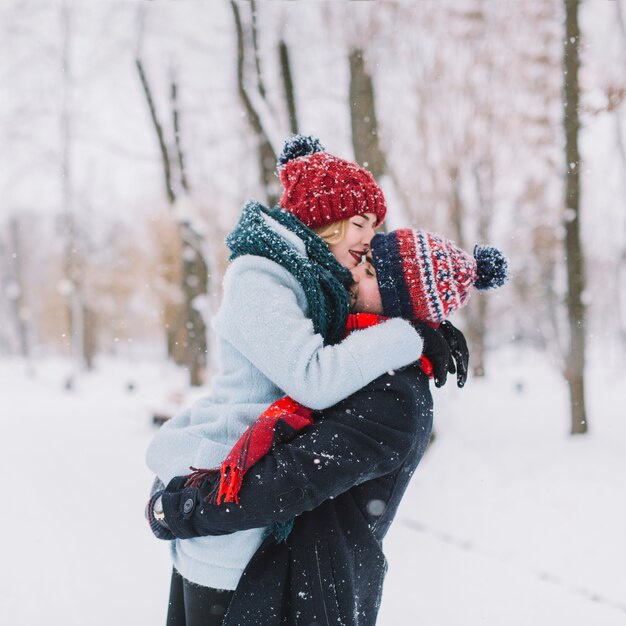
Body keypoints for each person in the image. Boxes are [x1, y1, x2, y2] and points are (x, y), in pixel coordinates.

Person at [145, 134, 468, 625]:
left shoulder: (315, 288)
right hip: (227, 490)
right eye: (359, 224)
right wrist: (412, 335)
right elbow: (315, 377)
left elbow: (377, 315)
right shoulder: (260, 278)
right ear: (324, 220)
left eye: (374, 228)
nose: (367, 241)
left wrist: (425, 323)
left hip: (248, 514)